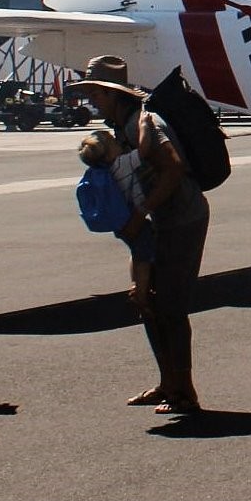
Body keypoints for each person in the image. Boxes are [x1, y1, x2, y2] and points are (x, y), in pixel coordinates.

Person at [69, 56, 209, 415]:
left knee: (171, 307)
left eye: (96, 93)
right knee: (147, 301)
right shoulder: (122, 126)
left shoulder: (144, 124)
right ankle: (168, 383)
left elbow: (173, 167)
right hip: (155, 224)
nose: (92, 101)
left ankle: (185, 393)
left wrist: (141, 210)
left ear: (114, 94)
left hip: (181, 220)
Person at [78, 127, 156, 307]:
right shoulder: (123, 163)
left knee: (136, 251)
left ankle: (136, 283)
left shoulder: (98, 171)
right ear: (107, 154)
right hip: (131, 217)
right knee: (145, 254)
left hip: (118, 220)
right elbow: (144, 150)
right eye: (113, 142)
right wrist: (144, 126)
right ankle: (141, 292)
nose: (118, 142)